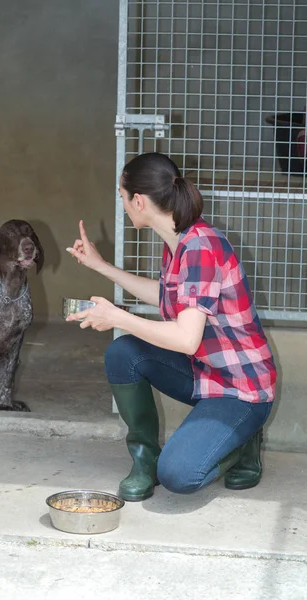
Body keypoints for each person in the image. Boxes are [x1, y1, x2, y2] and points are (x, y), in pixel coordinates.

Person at [66, 152, 277, 502]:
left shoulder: (200, 247)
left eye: (121, 196)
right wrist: (100, 266)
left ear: (138, 200)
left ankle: (243, 442)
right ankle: (145, 462)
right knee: (124, 353)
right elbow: (164, 295)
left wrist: (118, 317)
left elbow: (185, 338)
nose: (121, 204)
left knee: (179, 474)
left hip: (241, 390)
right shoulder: (179, 241)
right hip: (206, 373)